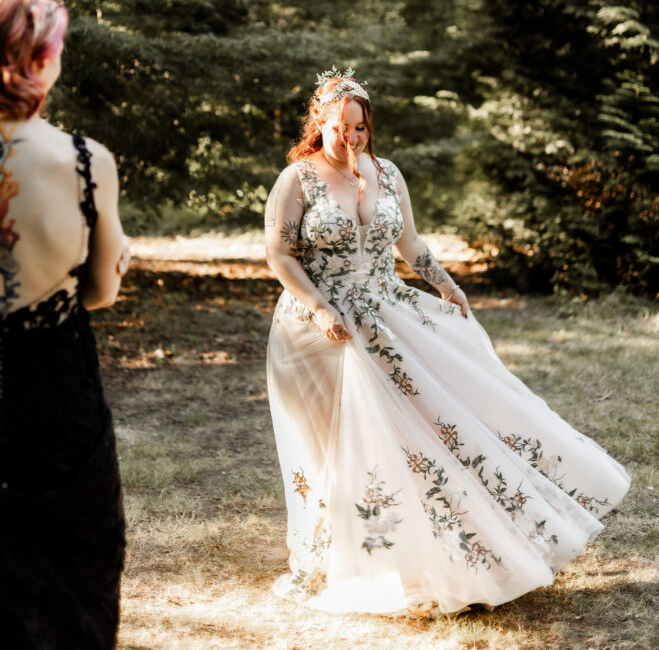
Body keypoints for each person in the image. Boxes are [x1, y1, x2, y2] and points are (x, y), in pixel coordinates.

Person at [265, 68, 630, 618]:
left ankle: (439, 555)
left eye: (361, 128)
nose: (353, 138)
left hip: (387, 312)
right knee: (334, 450)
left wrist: (447, 283)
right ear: (320, 122)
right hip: (316, 329)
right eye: (342, 128)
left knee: (426, 426)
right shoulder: (297, 179)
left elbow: (409, 241)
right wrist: (320, 307)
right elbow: (280, 255)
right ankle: (338, 556)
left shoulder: (386, 172)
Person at [0, 0, 130, 649]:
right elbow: (99, 292)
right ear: (40, 58)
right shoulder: (83, 161)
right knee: (72, 563)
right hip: (56, 389)